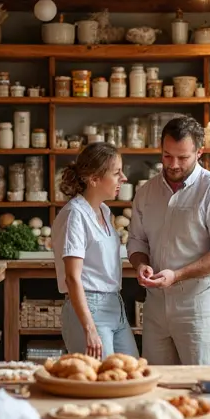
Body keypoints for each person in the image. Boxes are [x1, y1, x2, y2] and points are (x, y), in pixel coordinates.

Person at [127, 116, 210, 365]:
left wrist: (176, 275)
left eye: (182, 157)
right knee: (157, 384)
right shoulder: (146, 192)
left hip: (198, 306)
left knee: (200, 383)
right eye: (167, 156)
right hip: (155, 305)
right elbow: (137, 241)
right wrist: (140, 264)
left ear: (199, 152)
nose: (173, 164)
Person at [51, 142, 138, 359]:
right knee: (101, 386)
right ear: (94, 178)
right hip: (89, 310)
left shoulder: (105, 211)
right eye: (117, 173)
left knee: (133, 371)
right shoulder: (75, 215)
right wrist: (89, 328)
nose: (124, 178)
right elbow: (72, 277)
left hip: (115, 306)